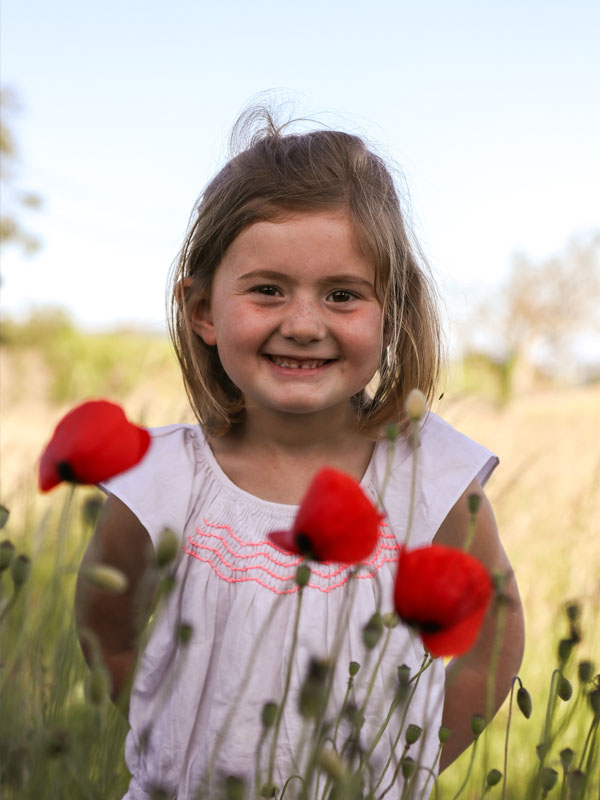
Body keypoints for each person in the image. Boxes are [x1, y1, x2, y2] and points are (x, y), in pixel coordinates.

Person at [75, 107, 524, 799]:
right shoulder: (162, 479)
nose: (304, 324)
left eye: (342, 295)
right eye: (267, 290)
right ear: (201, 310)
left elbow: (494, 639)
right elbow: (107, 623)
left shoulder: (428, 478)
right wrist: (173, 744)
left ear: (392, 312)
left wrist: (406, 769)